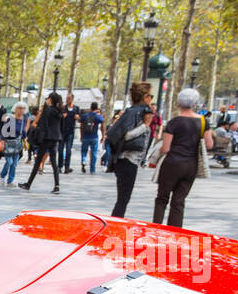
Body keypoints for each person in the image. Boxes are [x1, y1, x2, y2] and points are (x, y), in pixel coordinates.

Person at [153, 87, 214, 227]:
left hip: (172, 164)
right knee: (179, 201)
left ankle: (156, 227)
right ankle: (175, 231)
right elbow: (209, 144)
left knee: (162, 199)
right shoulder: (204, 122)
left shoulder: (174, 122)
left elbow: (166, 148)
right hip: (191, 165)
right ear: (195, 104)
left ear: (178, 104)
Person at [105, 82, 155, 218]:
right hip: (127, 159)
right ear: (145, 97)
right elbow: (126, 135)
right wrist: (145, 125)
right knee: (123, 200)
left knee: (123, 199)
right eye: (151, 96)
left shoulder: (136, 111)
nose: (151, 99)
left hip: (127, 161)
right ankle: (114, 226)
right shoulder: (137, 112)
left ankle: (115, 224)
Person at [20, 92, 64, 193]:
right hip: (56, 138)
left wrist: (38, 134)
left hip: (46, 138)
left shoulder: (47, 110)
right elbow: (61, 126)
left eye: (48, 98)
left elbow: (43, 125)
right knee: (54, 163)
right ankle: (57, 185)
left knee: (38, 161)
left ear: (50, 99)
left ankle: (28, 184)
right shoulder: (59, 111)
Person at [0, 102, 27, 185]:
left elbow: (23, 131)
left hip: (17, 144)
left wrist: (25, 142)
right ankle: (2, 176)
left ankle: (10, 180)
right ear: (16, 109)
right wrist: (2, 142)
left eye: (23, 108)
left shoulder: (23, 120)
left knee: (14, 164)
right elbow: (4, 131)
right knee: (9, 162)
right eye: (19, 108)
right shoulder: (10, 119)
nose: (21, 110)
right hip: (8, 143)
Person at [79, 101, 104, 173]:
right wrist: (103, 136)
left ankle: (83, 160)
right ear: (96, 108)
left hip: (85, 137)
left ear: (90, 107)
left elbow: (81, 126)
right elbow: (102, 126)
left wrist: (81, 136)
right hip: (94, 137)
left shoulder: (84, 116)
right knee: (94, 153)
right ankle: (92, 169)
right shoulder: (98, 116)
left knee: (84, 151)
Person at [60, 94, 79, 173]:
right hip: (62, 131)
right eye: (66, 98)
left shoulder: (76, 108)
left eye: (69, 98)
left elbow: (78, 117)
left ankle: (67, 167)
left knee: (68, 150)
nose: (67, 100)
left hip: (71, 131)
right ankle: (59, 166)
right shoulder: (63, 108)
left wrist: (77, 117)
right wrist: (62, 116)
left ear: (72, 99)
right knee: (60, 149)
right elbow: (59, 117)